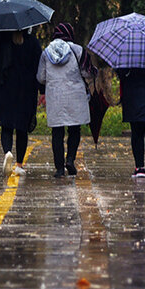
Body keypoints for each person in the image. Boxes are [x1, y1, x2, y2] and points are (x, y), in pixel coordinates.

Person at [37, 22, 91, 179]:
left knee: (57, 132)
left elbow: (40, 77)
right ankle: (70, 160)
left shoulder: (46, 53)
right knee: (75, 130)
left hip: (55, 97)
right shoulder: (78, 50)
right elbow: (87, 73)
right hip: (75, 96)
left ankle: (59, 168)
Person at [0, 28, 41, 177]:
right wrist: (40, 89)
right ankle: (19, 165)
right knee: (22, 127)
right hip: (25, 91)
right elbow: (39, 66)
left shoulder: (0, 40)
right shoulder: (32, 43)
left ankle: (7, 153)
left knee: (7, 124)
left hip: (4, 89)